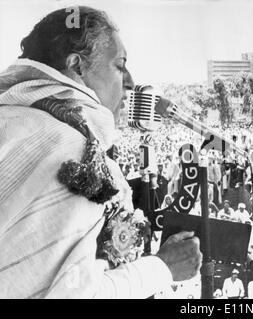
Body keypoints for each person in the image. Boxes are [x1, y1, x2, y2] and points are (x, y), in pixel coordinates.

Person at [0, 6, 202, 298]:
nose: (130, 81)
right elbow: (73, 294)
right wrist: (162, 268)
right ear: (77, 67)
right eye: (119, 65)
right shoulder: (72, 151)